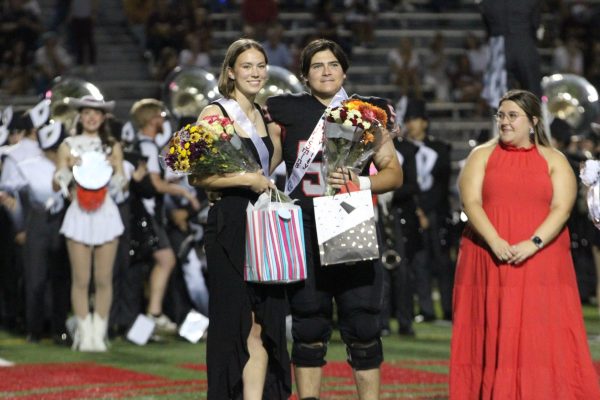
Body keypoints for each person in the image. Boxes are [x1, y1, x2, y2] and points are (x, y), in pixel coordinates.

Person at [266, 38, 403, 399]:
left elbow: (393, 173)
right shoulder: (286, 110)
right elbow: (266, 164)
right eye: (316, 66)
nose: (325, 71)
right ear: (305, 75)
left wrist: (363, 181)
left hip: (347, 217)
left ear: (344, 70)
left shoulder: (367, 110)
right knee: (308, 322)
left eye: (332, 64)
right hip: (303, 225)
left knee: (362, 322)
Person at [449, 89, 600, 399]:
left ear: (532, 121)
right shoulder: (482, 155)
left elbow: (562, 207)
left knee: (540, 331)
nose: (504, 122)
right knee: (488, 329)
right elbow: (471, 201)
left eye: (512, 116)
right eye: (501, 115)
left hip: (541, 258)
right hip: (487, 255)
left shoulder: (554, 159)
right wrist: (495, 241)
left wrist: (533, 243)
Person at [189, 38, 290, 399]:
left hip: (264, 226)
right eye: (247, 66)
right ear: (230, 72)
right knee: (234, 325)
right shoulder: (215, 114)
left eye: (260, 66)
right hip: (230, 226)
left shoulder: (266, 117)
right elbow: (197, 177)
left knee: (264, 325)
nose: (255, 73)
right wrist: (247, 179)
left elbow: (269, 168)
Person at [53, 96, 126, 352]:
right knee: (81, 278)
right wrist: (67, 169)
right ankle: (84, 334)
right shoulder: (68, 145)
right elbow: (57, 184)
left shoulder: (112, 145)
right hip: (79, 213)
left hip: (105, 212)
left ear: (104, 117)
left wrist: (116, 169)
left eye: (96, 113)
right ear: (80, 116)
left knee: (104, 278)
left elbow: (121, 186)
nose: (91, 117)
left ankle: (99, 333)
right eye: (86, 113)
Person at [129, 98, 200, 335]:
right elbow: (156, 184)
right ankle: (154, 314)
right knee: (166, 260)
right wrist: (183, 193)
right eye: (159, 115)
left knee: (155, 264)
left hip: (145, 213)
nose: (163, 120)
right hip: (146, 213)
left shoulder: (144, 143)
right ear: (151, 119)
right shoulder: (148, 145)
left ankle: (145, 325)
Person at [402, 98, 453, 323]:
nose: (412, 124)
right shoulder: (401, 149)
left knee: (442, 262)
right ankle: (426, 310)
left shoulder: (440, 148)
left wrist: (426, 209)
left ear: (425, 122)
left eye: (415, 120)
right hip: (413, 211)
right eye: (409, 120)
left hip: (437, 212)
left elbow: (441, 184)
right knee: (419, 262)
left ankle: (449, 308)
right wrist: (417, 209)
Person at [480, 0, 542, 109]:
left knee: (501, 98)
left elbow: (487, 28)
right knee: (533, 93)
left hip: (499, 49)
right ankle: (534, 122)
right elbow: (535, 26)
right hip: (524, 45)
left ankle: (503, 122)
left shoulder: (486, 3)